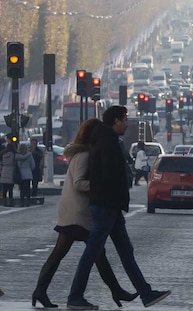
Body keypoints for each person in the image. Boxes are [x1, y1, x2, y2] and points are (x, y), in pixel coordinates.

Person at [66, 105, 171, 310]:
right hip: (107, 206)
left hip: (110, 206)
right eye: (124, 119)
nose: (126, 123)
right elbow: (109, 175)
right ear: (115, 121)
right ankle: (75, 295)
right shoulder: (108, 143)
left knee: (125, 252)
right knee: (92, 252)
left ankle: (146, 293)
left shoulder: (106, 140)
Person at [31, 119, 136, 308]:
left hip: (75, 211)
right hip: (78, 213)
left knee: (67, 253)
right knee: (95, 253)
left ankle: (41, 290)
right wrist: (101, 187)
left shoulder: (84, 152)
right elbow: (79, 183)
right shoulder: (84, 155)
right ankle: (113, 291)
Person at [0, 140, 17, 206]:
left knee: (4, 189)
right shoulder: (13, 154)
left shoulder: (3, 154)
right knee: (10, 189)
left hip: (4, 171)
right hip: (10, 171)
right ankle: (10, 202)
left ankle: (4, 202)